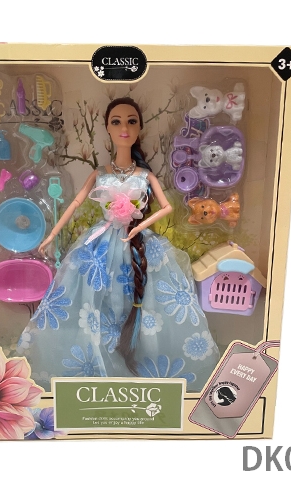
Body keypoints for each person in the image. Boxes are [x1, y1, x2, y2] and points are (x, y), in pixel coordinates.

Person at [18, 98, 219, 392]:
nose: (124, 128)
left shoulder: (145, 175)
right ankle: (95, 364)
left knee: (149, 304)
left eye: (131, 121)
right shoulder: (100, 173)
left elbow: (166, 207)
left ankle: (143, 362)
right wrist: (51, 236)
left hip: (137, 244)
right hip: (100, 246)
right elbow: (75, 204)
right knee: (91, 304)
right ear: (107, 129)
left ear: (140, 128)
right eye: (116, 121)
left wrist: (139, 225)